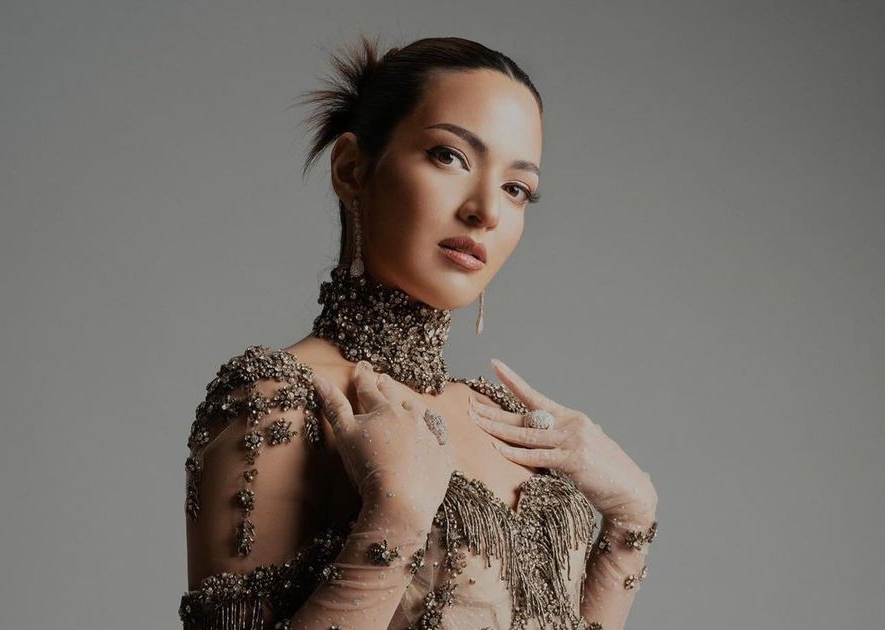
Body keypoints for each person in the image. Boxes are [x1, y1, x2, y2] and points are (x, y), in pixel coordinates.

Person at [179, 34, 659, 630]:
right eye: (449, 156)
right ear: (352, 169)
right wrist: (393, 523)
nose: (486, 210)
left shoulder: (504, 418)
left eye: (516, 189)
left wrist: (631, 524)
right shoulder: (281, 396)